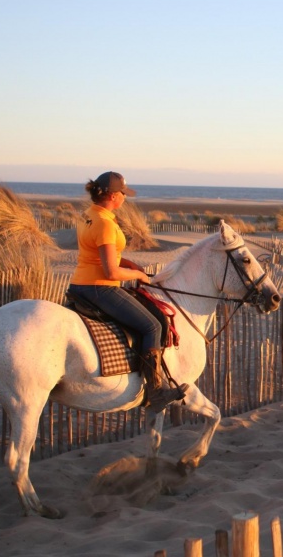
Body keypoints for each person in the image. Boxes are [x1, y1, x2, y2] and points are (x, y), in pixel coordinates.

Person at [69, 171, 188, 412]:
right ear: (113, 195)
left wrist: (129, 263)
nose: (125, 197)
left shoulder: (90, 215)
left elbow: (96, 254)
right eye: (123, 193)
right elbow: (111, 273)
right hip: (99, 287)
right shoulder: (104, 223)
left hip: (80, 283)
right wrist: (139, 275)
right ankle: (155, 391)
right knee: (152, 326)